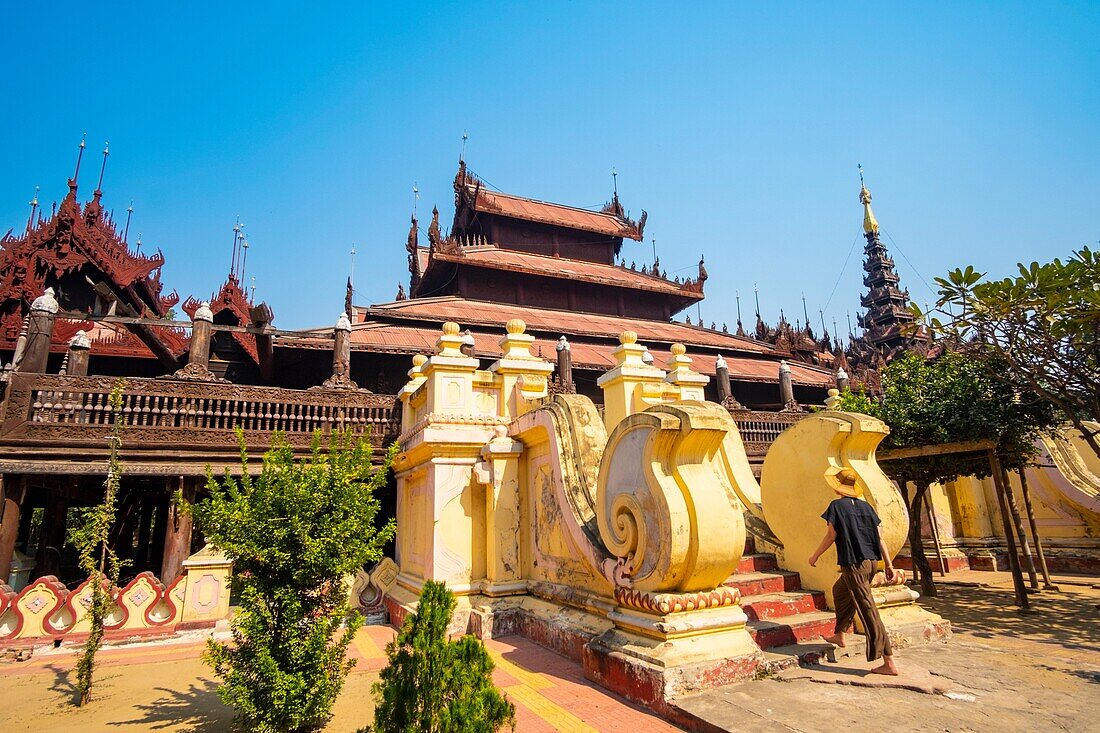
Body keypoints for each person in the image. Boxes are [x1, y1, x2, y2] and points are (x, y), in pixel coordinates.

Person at [808, 477, 900, 675]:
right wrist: (889, 564)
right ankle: (840, 634)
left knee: (869, 612)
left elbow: (831, 536)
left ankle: (889, 662)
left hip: (854, 565)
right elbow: (880, 538)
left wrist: (815, 555)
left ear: (837, 487)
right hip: (871, 563)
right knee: (840, 591)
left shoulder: (836, 506)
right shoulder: (866, 507)